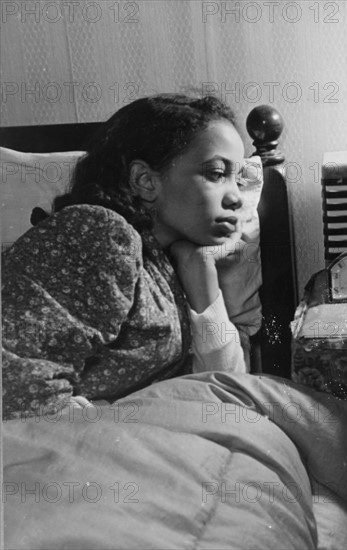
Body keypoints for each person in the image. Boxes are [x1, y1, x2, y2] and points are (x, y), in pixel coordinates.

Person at [2, 94, 254, 420]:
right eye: (217, 174)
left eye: (239, 178)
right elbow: (19, 382)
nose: (236, 196)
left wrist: (203, 283)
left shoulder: (166, 261)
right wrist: (107, 420)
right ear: (145, 181)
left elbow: (227, 392)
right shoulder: (98, 234)